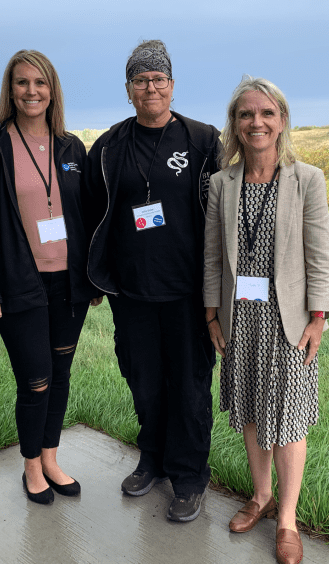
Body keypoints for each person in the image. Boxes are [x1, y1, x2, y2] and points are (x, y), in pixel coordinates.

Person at [84, 39, 222, 522]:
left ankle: (188, 477)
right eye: (140, 80)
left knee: (188, 386)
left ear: (172, 85)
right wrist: (94, 278)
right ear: (128, 90)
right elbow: (89, 215)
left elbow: (224, 213)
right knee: (144, 381)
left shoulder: (203, 141)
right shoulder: (108, 147)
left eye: (158, 79)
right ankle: (153, 458)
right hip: (132, 291)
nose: (150, 88)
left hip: (187, 293)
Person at [0, 49, 101, 506]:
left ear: (52, 90)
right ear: (10, 90)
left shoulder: (71, 147)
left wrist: (93, 279)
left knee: (60, 374)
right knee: (35, 378)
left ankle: (51, 457)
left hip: (68, 283)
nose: (31, 91)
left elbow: (87, 215)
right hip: (20, 283)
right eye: (22, 83)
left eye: (39, 83)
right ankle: (30, 467)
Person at [203, 77, 329, 564]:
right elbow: (213, 256)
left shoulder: (307, 179)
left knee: (290, 417)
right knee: (254, 412)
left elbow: (319, 255)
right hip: (240, 319)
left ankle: (287, 519)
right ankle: (260, 497)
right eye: (245, 114)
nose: (256, 122)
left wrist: (319, 316)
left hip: (289, 320)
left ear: (281, 121)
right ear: (234, 125)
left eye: (266, 113)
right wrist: (211, 313)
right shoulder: (222, 183)